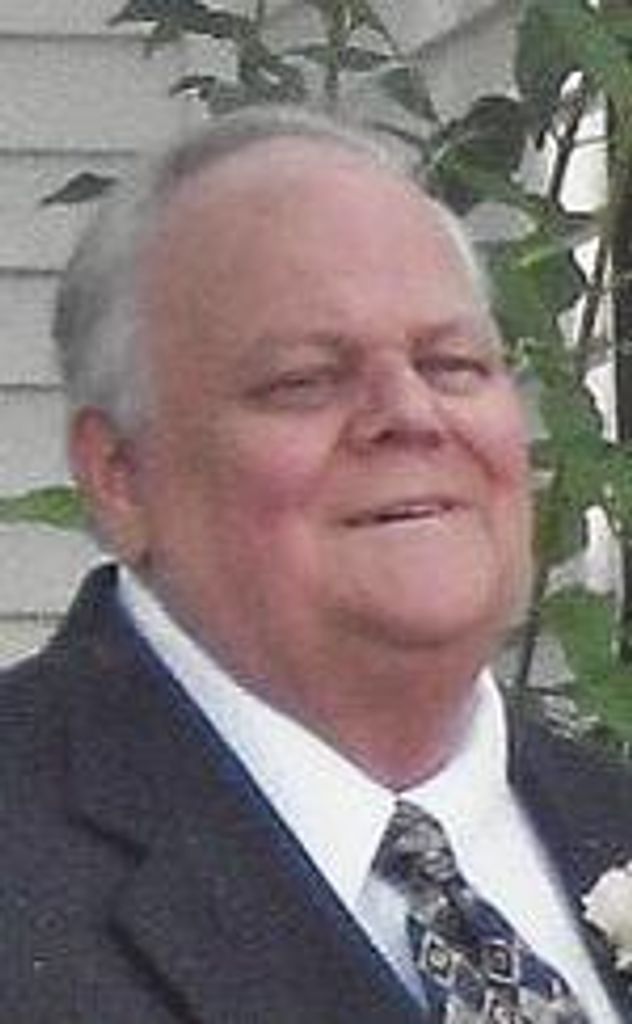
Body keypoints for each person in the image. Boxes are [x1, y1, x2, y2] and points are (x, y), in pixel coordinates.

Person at [0, 105, 629, 1023]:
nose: (410, 414)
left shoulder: (609, 818)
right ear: (121, 476)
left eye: (453, 363)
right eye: (304, 380)